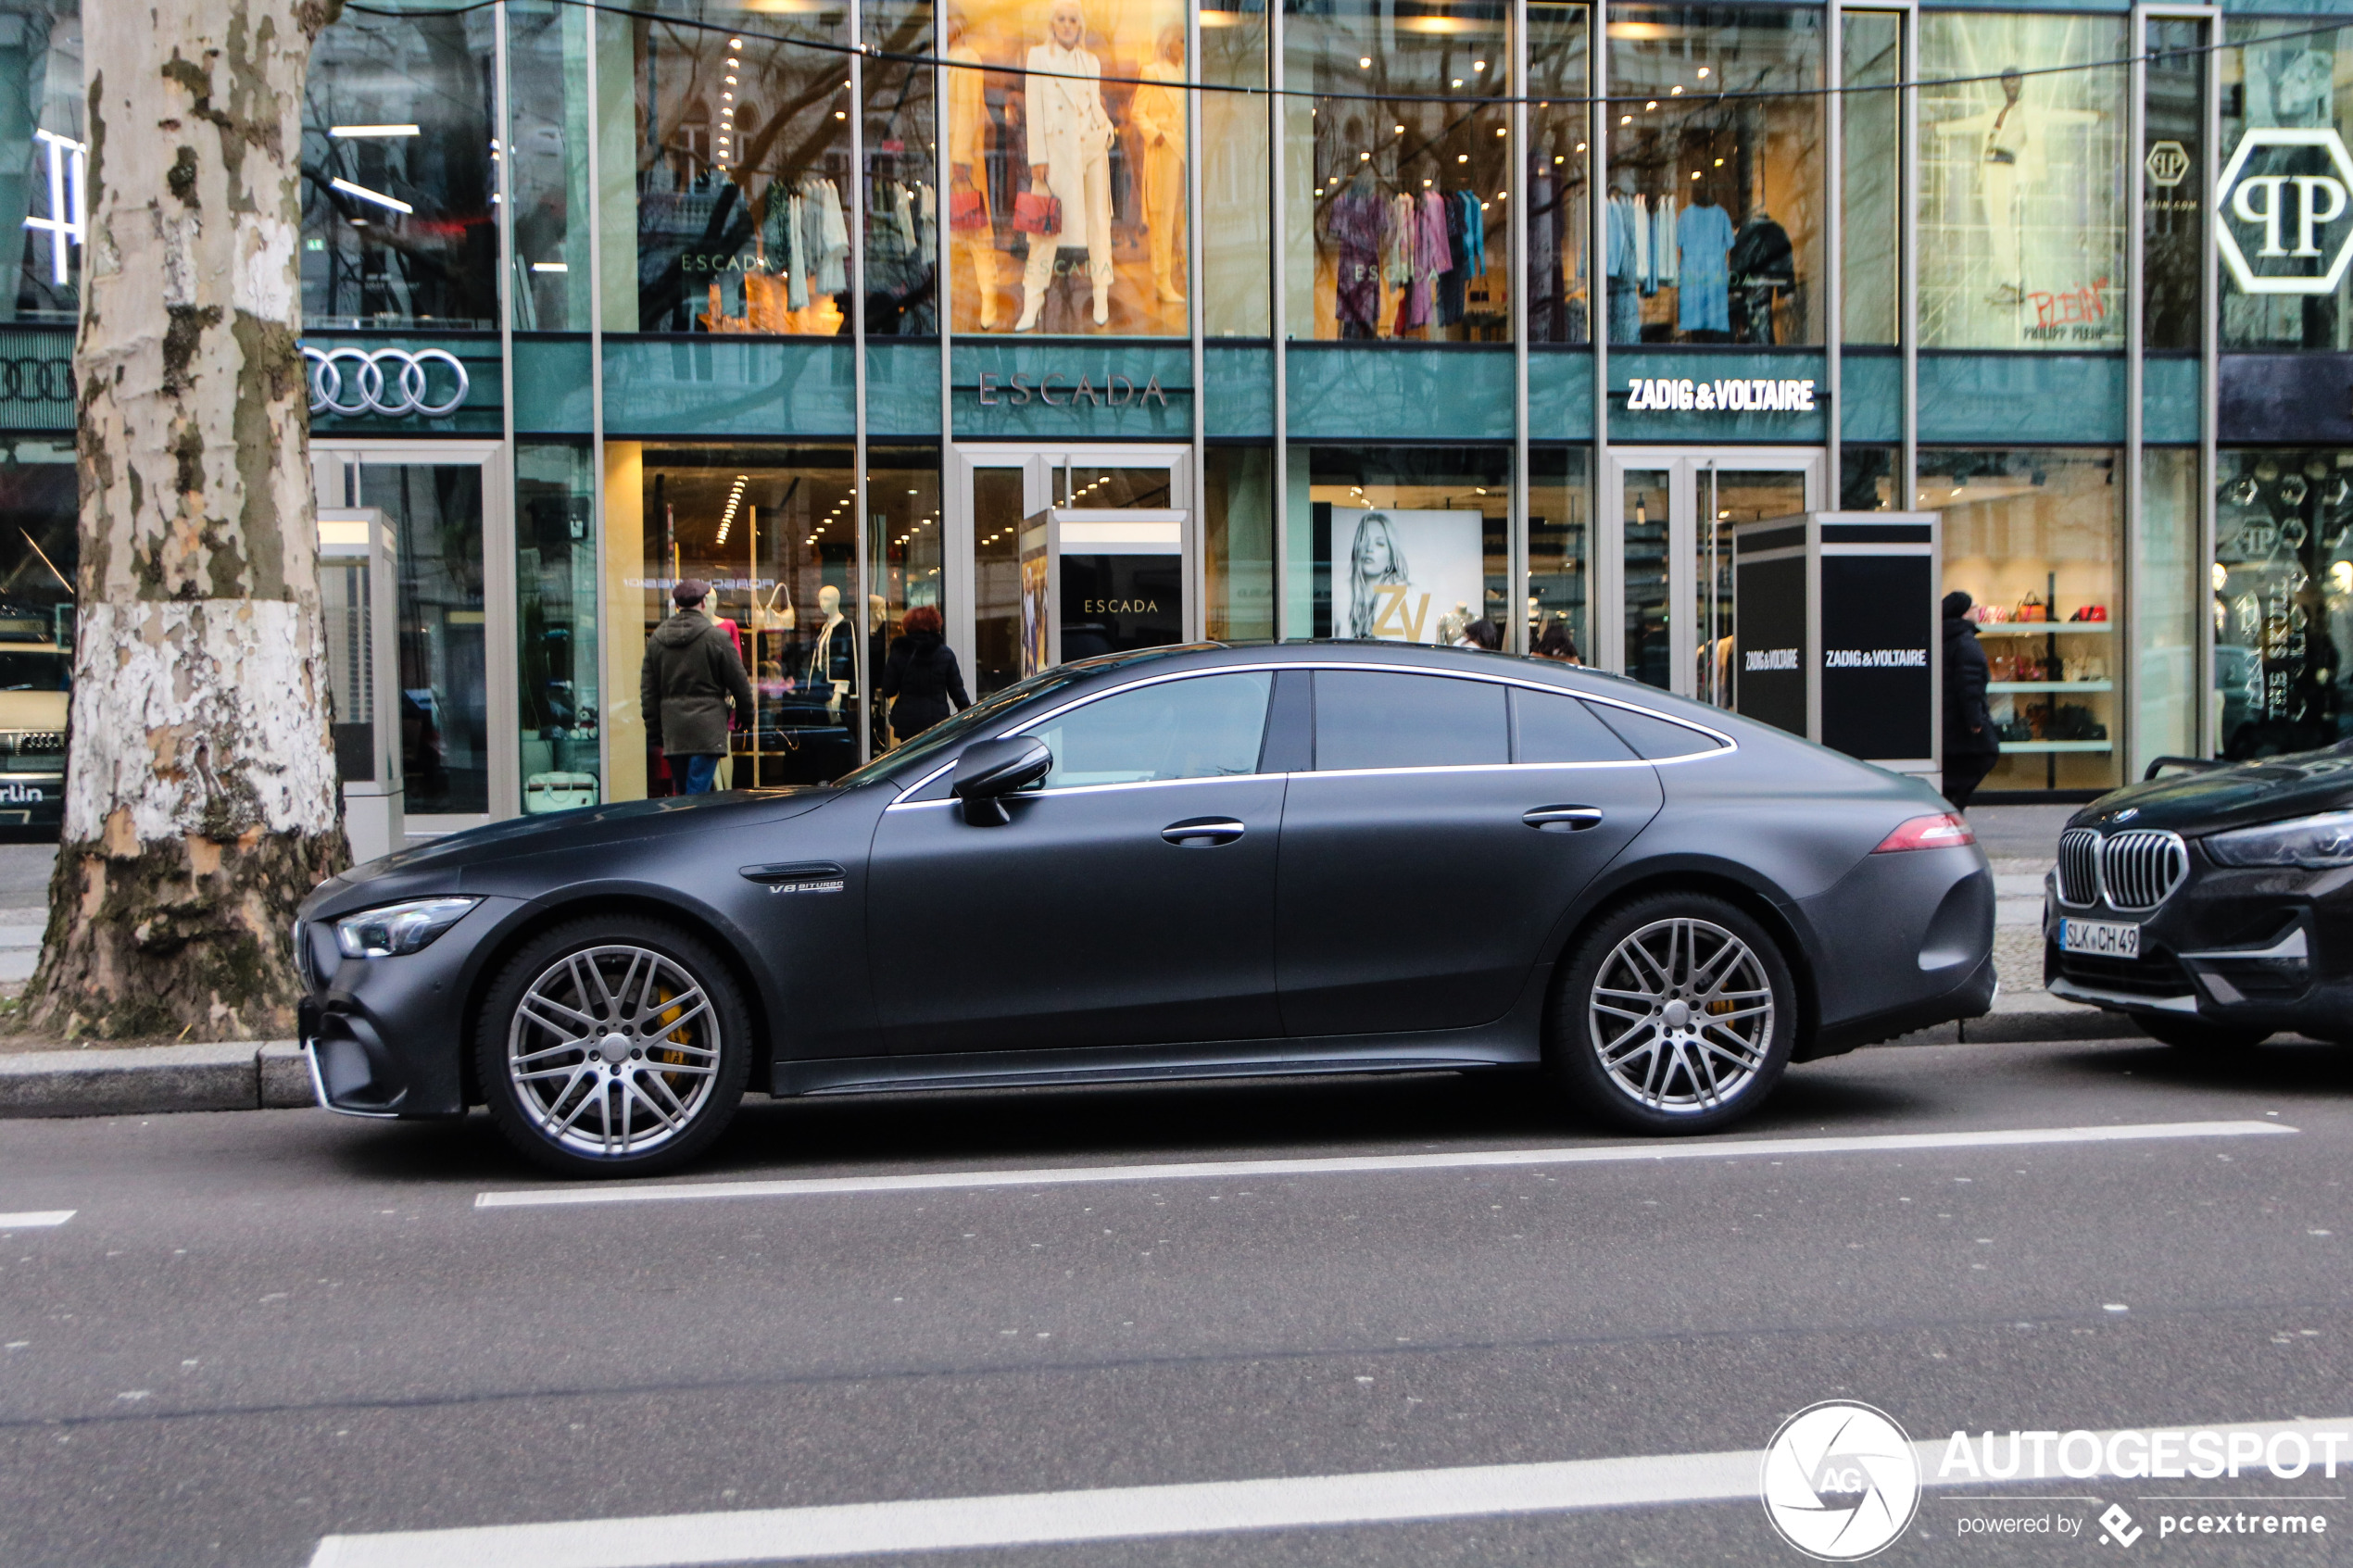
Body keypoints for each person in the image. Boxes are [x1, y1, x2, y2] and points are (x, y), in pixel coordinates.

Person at [1017, 0, 1116, 331]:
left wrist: (1107, 130)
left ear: (1080, 25)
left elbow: (1094, 103)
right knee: (1044, 228)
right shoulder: (1038, 57)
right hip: (1057, 152)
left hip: (1091, 148)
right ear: (1053, 23)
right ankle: (1032, 301)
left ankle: (1101, 293)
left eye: (1073, 19)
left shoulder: (1091, 61)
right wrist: (1038, 158)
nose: (1067, 24)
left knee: (1098, 222)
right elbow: (1033, 107)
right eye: (1061, 19)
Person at [640, 578, 756, 795]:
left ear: (677, 606)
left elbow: (648, 691)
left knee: (683, 791)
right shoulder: (717, 637)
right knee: (697, 794)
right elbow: (739, 682)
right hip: (707, 729)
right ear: (703, 603)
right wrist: (746, 717)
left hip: (674, 729)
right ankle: (695, 826)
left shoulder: (657, 639)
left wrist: (654, 730)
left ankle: (686, 825)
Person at [1942, 589, 1999, 810]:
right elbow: (1970, 682)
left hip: (1948, 718)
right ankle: (1953, 806)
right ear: (1965, 613)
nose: (1978, 611)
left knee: (1955, 763)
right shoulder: (1966, 641)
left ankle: (1951, 805)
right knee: (1987, 752)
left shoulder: (1942, 637)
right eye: (1975, 607)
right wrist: (1975, 719)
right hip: (1964, 718)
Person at [879, 605, 971, 743]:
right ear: (936, 624)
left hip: (907, 722)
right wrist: (968, 714)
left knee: (910, 760)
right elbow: (957, 691)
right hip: (937, 721)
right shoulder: (945, 653)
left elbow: (888, 690)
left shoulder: (899, 653)